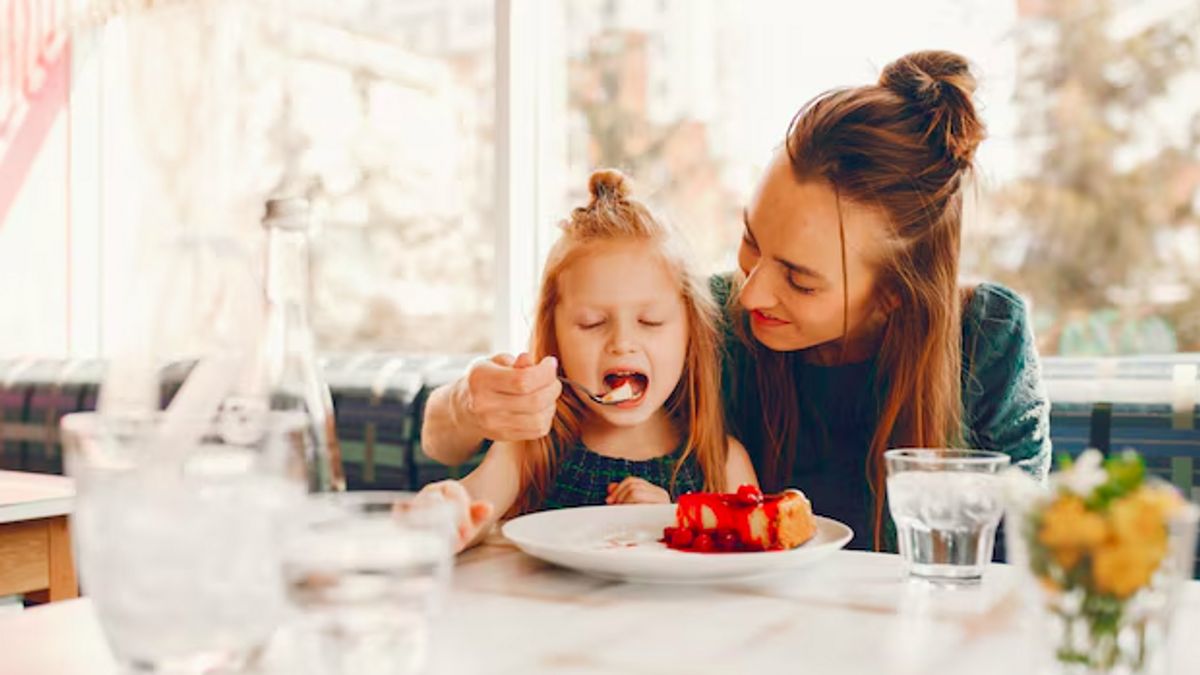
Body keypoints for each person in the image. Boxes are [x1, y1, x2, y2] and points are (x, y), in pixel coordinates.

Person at [421, 50, 1051, 551]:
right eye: (751, 242)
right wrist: (470, 403)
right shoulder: (706, 317)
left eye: (800, 280)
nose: (751, 293)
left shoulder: (988, 338)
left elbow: (1019, 561)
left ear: (892, 296)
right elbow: (452, 445)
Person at [419, 169, 757, 551]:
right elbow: (475, 509)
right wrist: (446, 512)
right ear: (555, 337)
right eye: (592, 323)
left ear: (691, 335)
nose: (623, 343)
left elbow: (750, 556)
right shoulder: (532, 446)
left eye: (651, 321)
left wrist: (672, 522)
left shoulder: (721, 461)